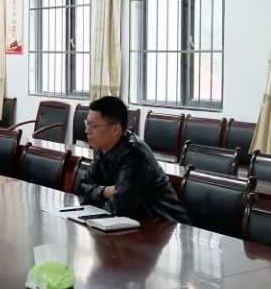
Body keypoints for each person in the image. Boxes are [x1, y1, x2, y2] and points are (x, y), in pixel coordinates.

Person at [75, 96, 190, 224]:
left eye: (93, 126)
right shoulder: (102, 148)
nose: (87, 131)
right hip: (136, 224)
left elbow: (118, 208)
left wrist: (97, 194)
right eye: (87, 124)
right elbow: (81, 186)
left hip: (166, 226)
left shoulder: (135, 154)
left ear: (115, 129)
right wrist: (105, 191)